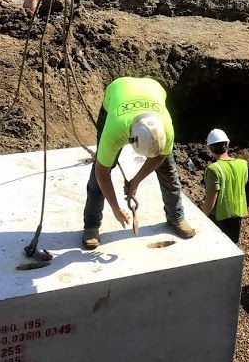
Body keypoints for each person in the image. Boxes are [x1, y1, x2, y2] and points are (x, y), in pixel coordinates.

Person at [82, 76, 195, 249]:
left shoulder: (166, 128)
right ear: (131, 140)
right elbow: (101, 173)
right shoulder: (115, 130)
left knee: (169, 172)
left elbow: (160, 157)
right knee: (100, 169)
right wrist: (116, 209)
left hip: (152, 89)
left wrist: (135, 182)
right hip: (117, 92)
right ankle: (91, 225)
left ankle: (176, 217)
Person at [201, 128, 248, 245]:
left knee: (218, 246)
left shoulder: (213, 169)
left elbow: (212, 198)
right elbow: (242, 183)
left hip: (219, 216)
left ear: (210, 148)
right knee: (233, 244)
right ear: (227, 145)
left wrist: (201, 218)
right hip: (238, 211)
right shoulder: (243, 164)